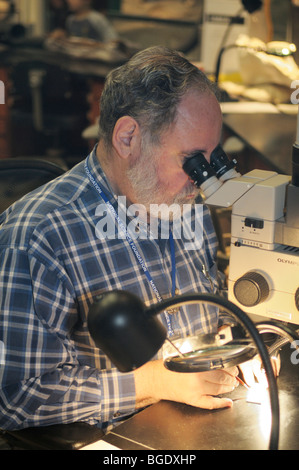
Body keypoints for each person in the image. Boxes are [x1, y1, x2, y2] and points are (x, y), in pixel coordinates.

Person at [0, 46, 256, 432]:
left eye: (211, 158)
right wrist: (156, 381)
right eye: (192, 160)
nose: (203, 180)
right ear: (127, 137)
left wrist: (240, 345)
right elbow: (14, 396)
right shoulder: (38, 237)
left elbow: (213, 303)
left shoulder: (184, 203)